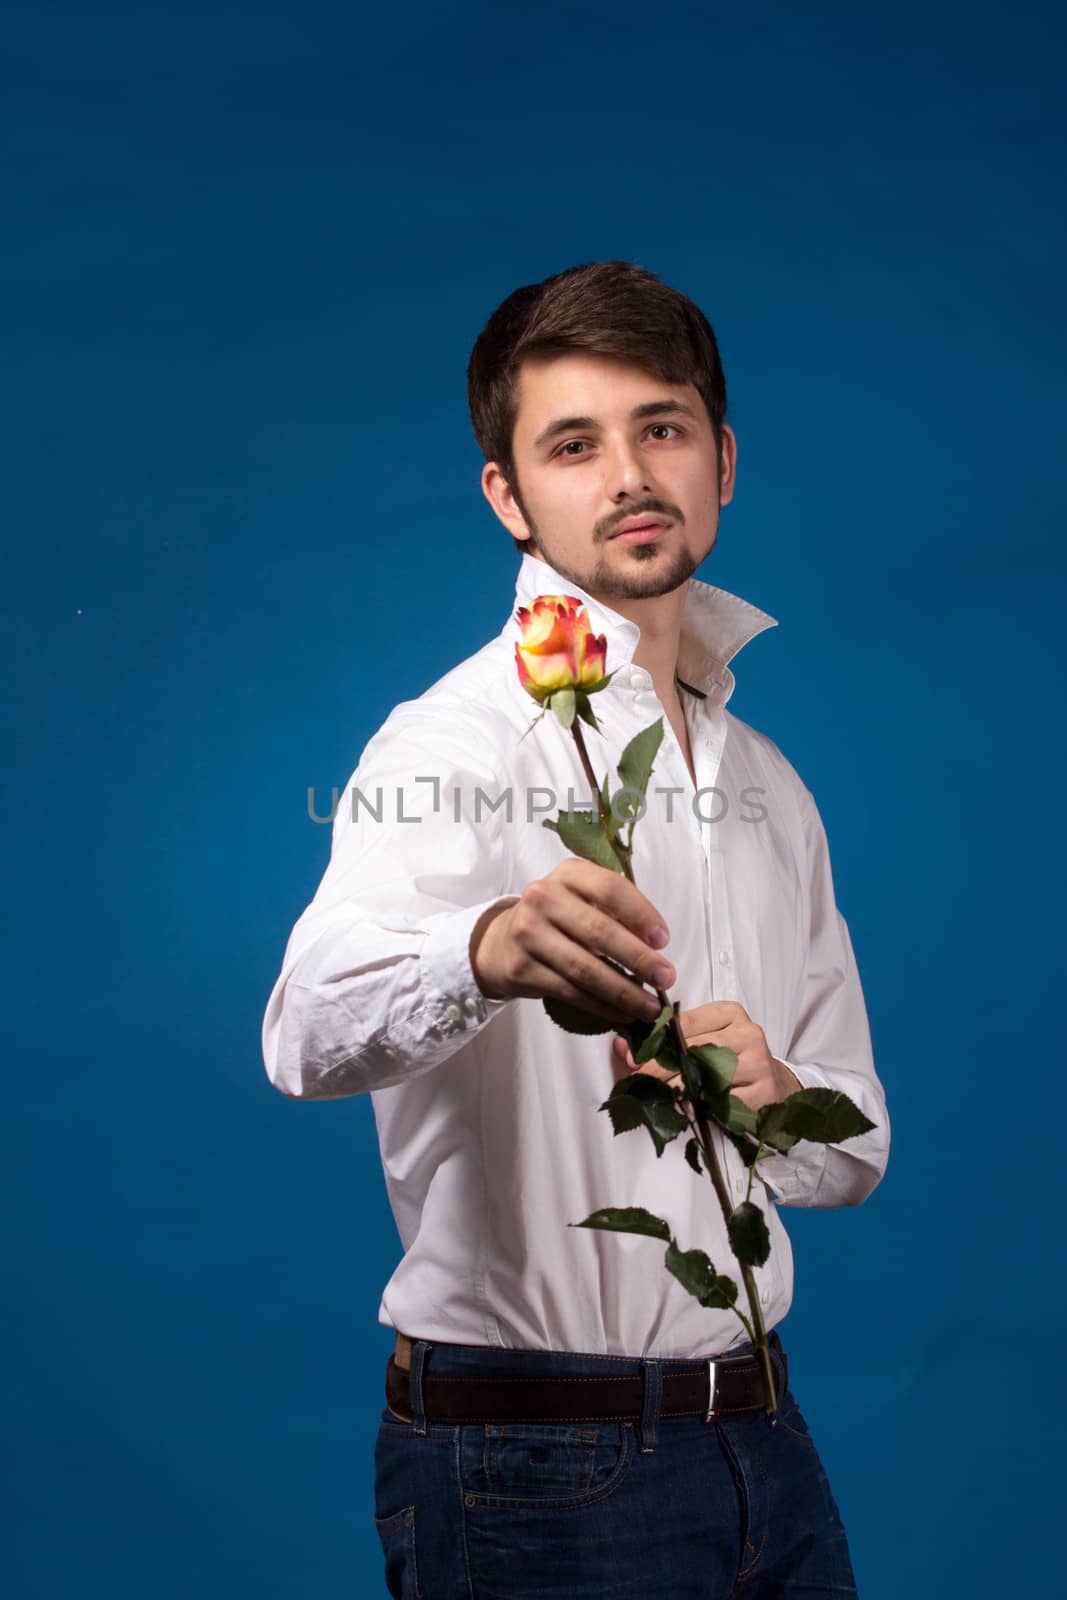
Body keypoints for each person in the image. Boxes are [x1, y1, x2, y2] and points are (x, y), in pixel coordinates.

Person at [261, 259, 890, 1598]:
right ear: (508, 494)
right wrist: (481, 950)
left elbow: (857, 1148)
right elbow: (301, 1031)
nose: (628, 476)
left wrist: (777, 1102)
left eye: (661, 428)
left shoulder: (771, 783)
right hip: (532, 1458)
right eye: (572, 444)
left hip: (764, 1441)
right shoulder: (454, 739)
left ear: (721, 458)